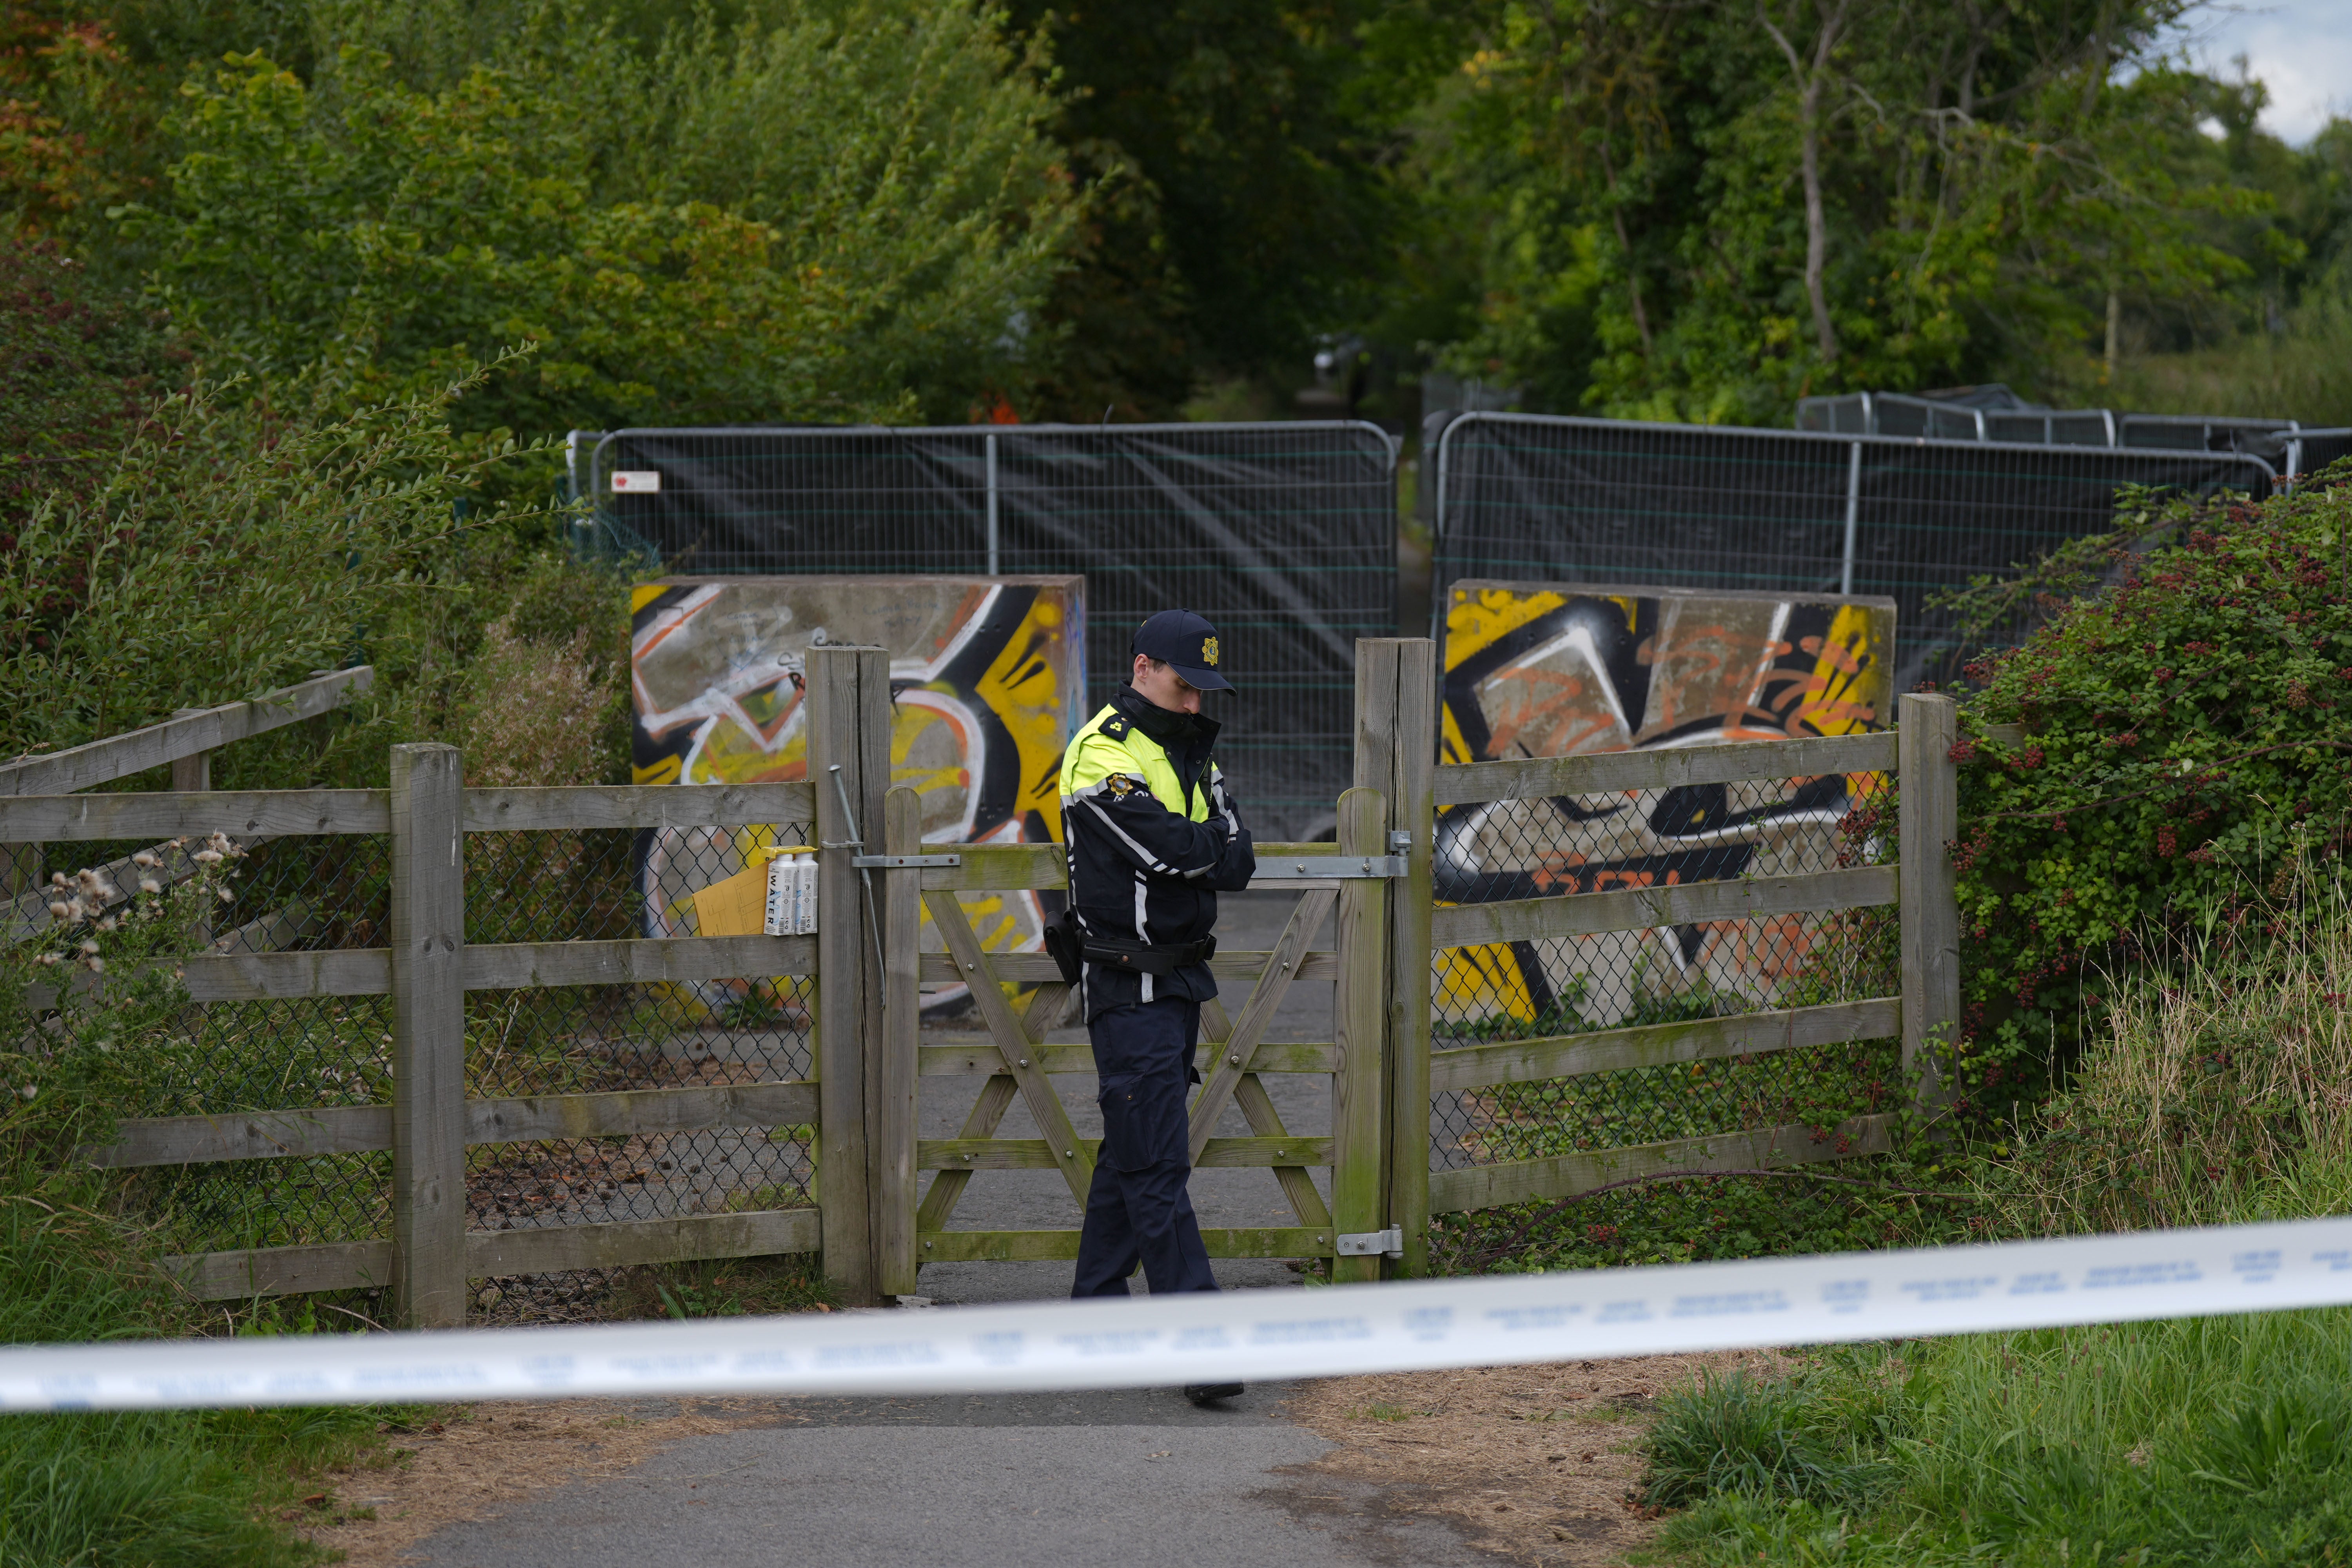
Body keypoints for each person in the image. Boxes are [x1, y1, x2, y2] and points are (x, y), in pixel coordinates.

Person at [1057, 608, 1256, 1404]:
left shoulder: (1188, 749)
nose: (1194, 704)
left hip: (1177, 982)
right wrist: (1203, 845)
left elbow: (1235, 860)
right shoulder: (1098, 753)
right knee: (1157, 1166)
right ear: (1142, 667)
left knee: (1135, 1154)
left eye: (1205, 691)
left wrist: (1201, 846)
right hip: (1125, 983)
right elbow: (1172, 849)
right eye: (1183, 686)